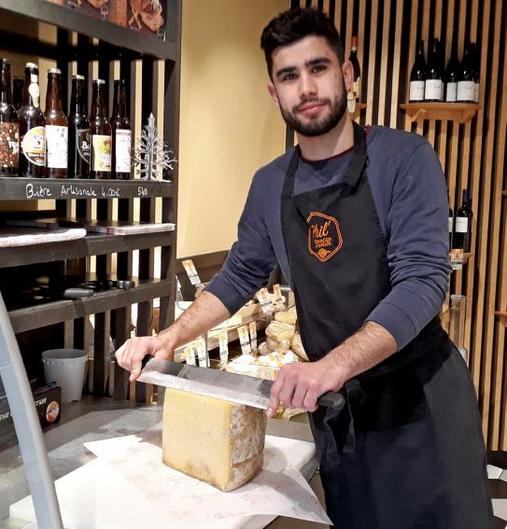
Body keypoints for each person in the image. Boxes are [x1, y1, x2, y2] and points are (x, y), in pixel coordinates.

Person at [115, 7, 494, 528]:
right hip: (342, 418)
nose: (306, 87)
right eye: (289, 75)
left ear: (348, 72)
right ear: (274, 92)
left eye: (319, 68)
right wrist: (171, 338)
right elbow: (239, 275)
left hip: (421, 412)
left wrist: (329, 367)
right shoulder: (270, 184)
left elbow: (424, 282)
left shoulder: (404, 159)